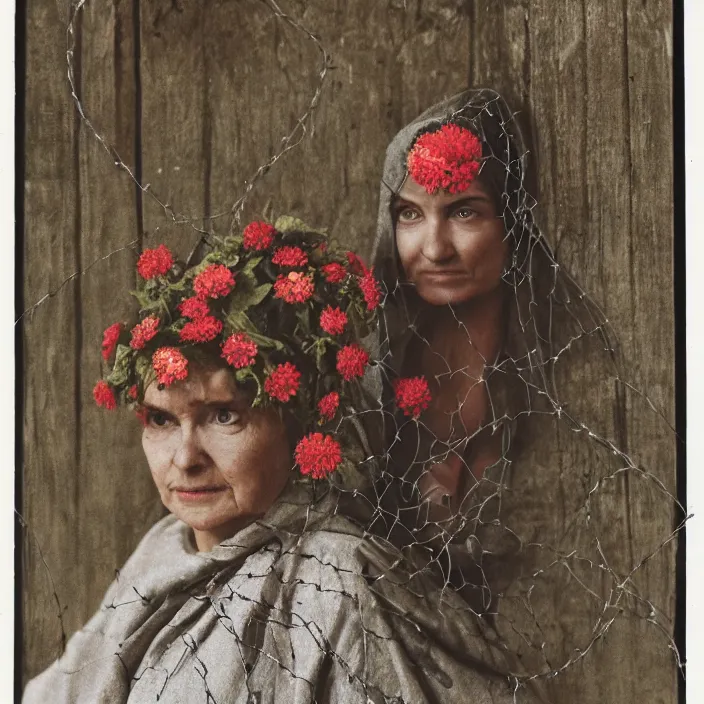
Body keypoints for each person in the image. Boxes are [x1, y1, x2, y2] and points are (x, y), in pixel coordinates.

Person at [23, 217, 541, 703]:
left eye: (224, 416)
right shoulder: (162, 550)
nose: (185, 458)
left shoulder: (334, 583)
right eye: (161, 420)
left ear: (297, 425)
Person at [369, 90, 678, 695]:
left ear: (512, 219)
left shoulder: (570, 379)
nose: (433, 248)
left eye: (463, 212)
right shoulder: (374, 375)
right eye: (409, 214)